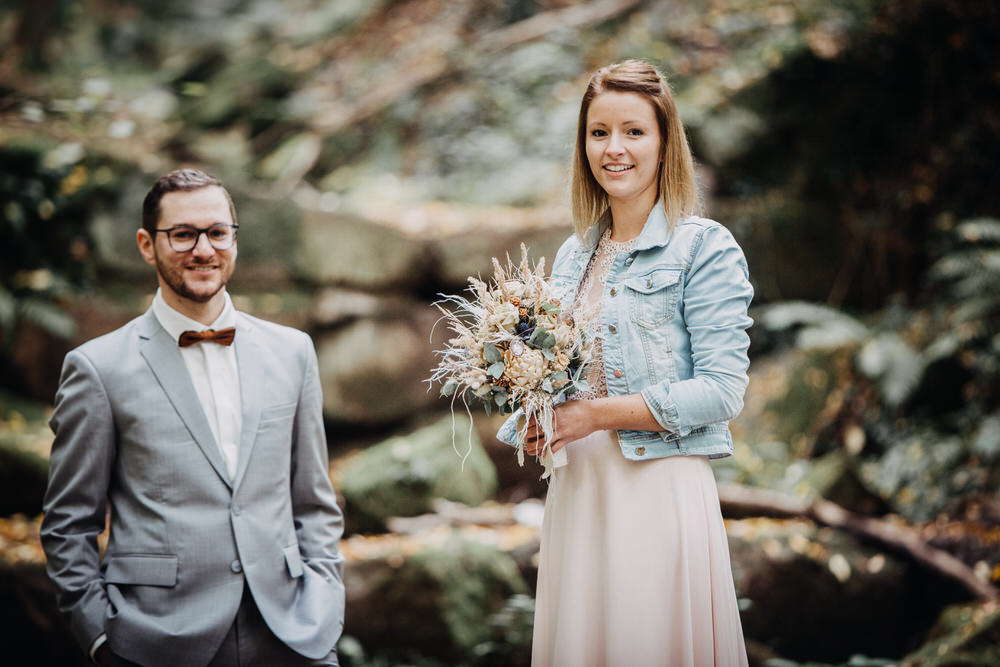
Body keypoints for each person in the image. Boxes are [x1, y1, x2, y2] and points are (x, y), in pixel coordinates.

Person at [498, 60, 753, 665]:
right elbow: (561, 387)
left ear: (666, 142)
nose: (614, 148)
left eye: (634, 131)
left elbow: (721, 392)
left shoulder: (704, 247)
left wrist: (597, 417)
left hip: (658, 488)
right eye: (598, 132)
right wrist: (533, 422)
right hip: (579, 495)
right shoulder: (572, 254)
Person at [40, 168, 345, 667]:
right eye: (183, 234)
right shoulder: (98, 368)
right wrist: (100, 638)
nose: (204, 249)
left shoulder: (293, 352)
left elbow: (313, 499)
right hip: (157, 640)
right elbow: (68, 524)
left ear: (234, 238)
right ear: (146, 244)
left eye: (217, 232)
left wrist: (325, 600)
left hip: (295, 635)